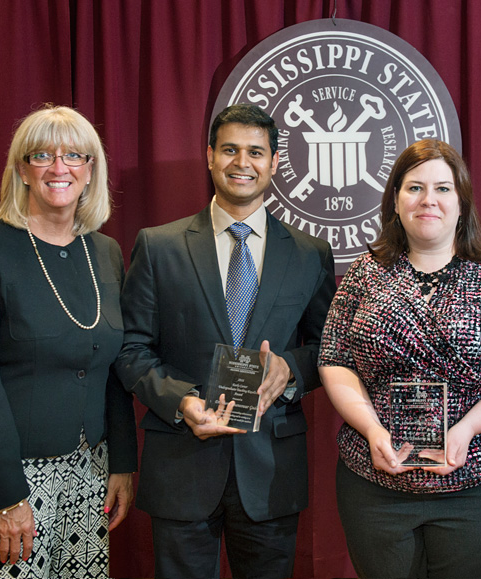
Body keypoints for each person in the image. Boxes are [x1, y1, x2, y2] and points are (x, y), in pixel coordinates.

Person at [115, 103, 336, 579]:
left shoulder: (309, 253)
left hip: (270, 468)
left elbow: (329, 348)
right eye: (230, 149)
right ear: (209, 156)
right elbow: (131, 349)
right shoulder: (159, 246)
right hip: (181, 459)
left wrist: (291, 371)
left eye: (256, 152)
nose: (243, 162)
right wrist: (182, 402)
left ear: (275, 162)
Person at [319, 139, 481, 578]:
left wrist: (465, 429)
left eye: (443, 189)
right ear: (395, 200)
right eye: (415, 188)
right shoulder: (363, 274)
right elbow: (335, 360)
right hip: (376, 487)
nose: (429, 199)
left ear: (462, 203)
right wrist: (370, 429)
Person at [0, 104, 138, 578]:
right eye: (42, 155)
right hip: (6, 476)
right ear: (22, 170)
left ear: (91, 171)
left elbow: (111, 365)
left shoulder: (105, 252)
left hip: (89, 469)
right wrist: (6, 496)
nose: (59, 167)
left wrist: (123, 464)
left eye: (74, 155)